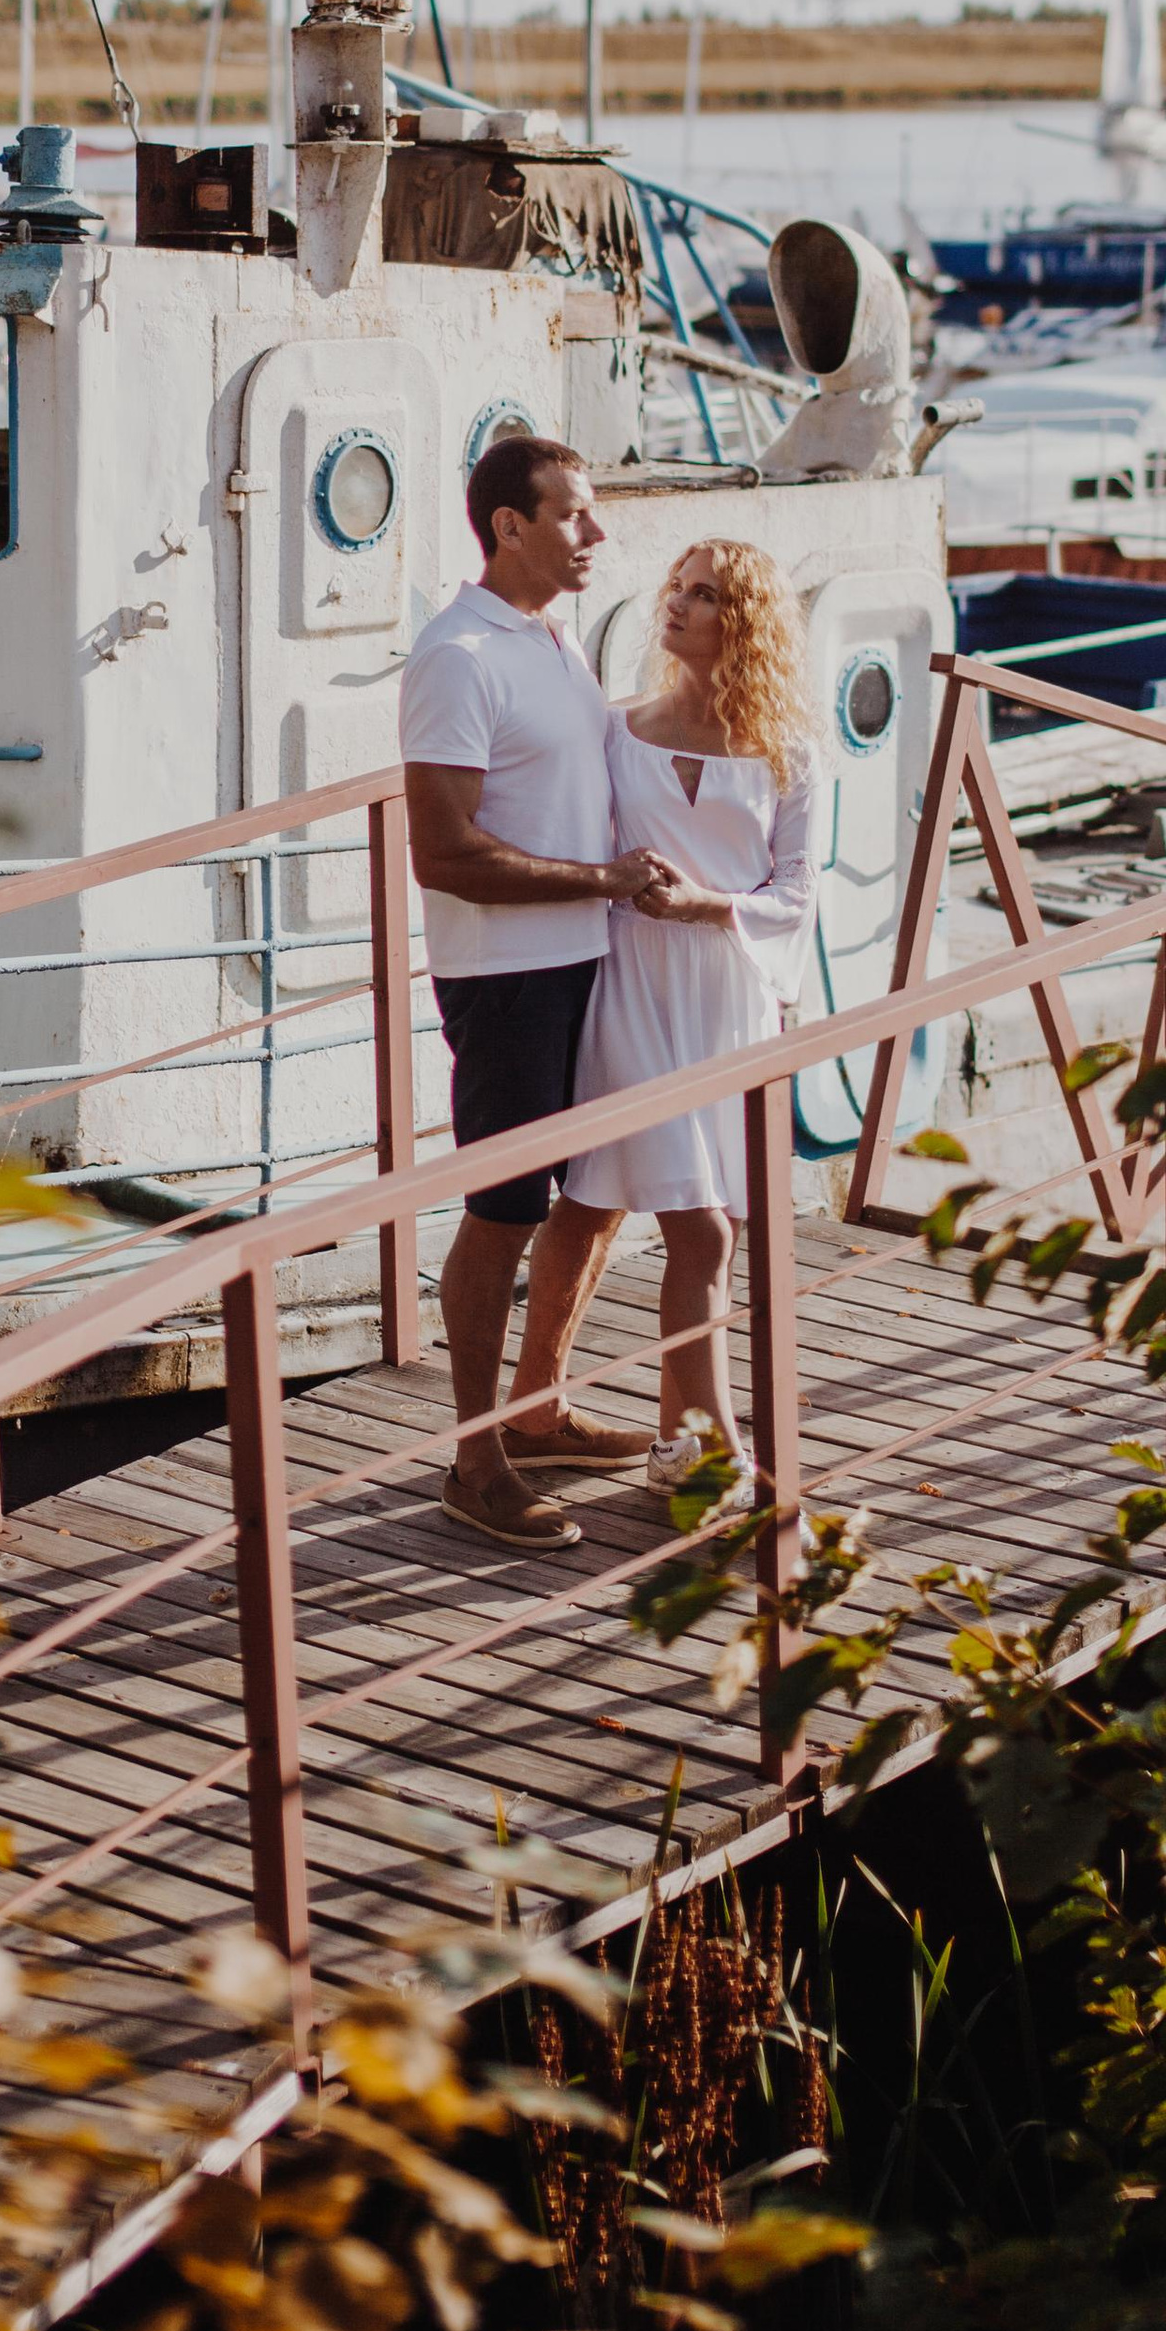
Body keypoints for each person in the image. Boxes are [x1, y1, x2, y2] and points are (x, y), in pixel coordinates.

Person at [400, 436, 674, 1550]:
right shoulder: (458, 657)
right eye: (572, 516)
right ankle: (476, 1463)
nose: (594, 535)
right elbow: (443, 853)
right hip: (506, 977)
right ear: (507, 525)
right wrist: (603, 880)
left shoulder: (547, 637)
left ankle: (542, 1404)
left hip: (584, 958)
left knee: (597, 1190)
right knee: (502, 1212)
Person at [560, 543, 819, 1514]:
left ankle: (674, 1447)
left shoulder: (787, 754)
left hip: (729, 995)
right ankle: (718, 1457)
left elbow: (795, 896)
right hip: (631, 983)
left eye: (705, 595)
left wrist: (706, 903)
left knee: (708, 1231)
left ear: (741, 623)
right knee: (703, 1236)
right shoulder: (617, 733)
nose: (678, 604)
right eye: (677, 586)